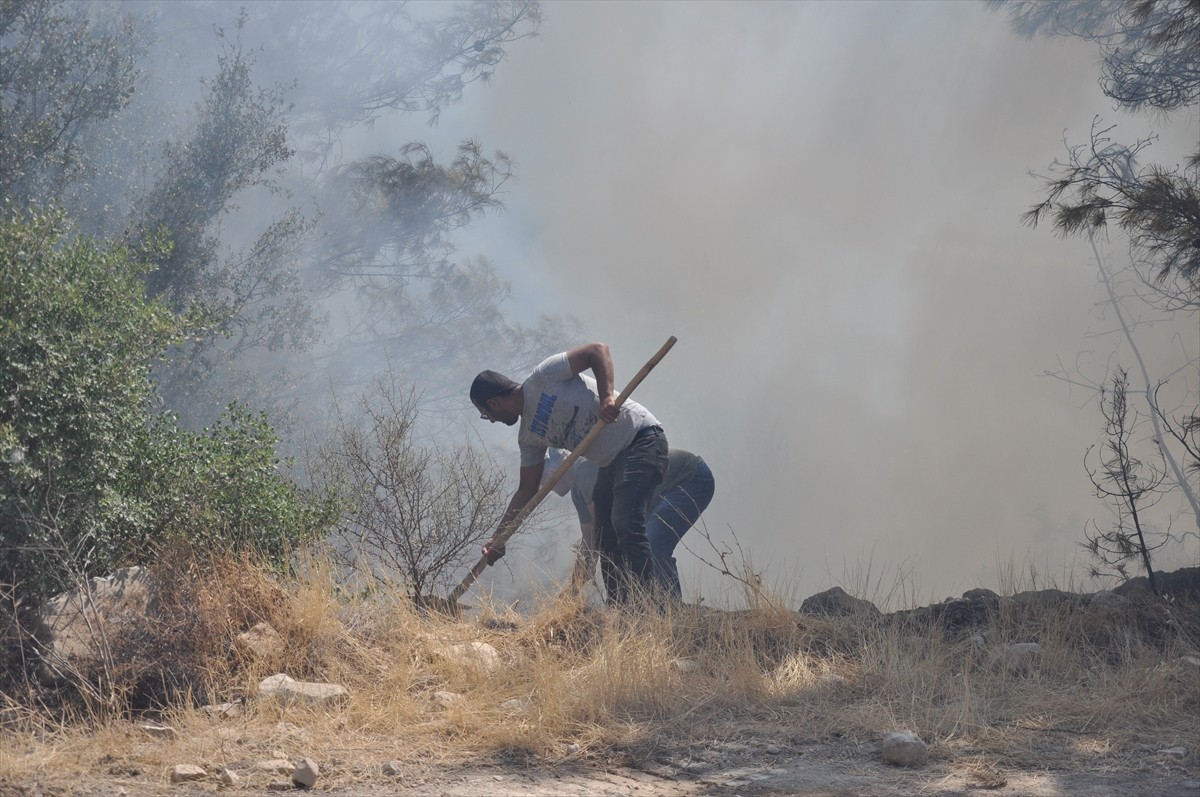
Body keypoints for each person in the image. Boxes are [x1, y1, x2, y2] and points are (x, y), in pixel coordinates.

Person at [470, 342, 669, 604]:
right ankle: (622, 611)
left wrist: (607, 397)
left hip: (641, 439)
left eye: (486, 414)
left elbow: (597, 351)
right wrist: (499, 537)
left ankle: (648, 608)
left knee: (625, 521)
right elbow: (526, 490)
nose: (491, 420)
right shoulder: (529, 438)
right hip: (610, 464)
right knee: (604, 537)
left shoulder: (544, 376)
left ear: (494, 403)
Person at [546, 447, 715, 601]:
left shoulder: (584, 468)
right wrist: (572, 591)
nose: (541, 486)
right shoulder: (578, 492)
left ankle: (672, 614)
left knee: (651, 545)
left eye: (542, 478)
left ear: (554, 471)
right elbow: (590, 543)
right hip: (665, 491)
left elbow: (602, 532)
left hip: (688, 478)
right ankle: (655, 610)